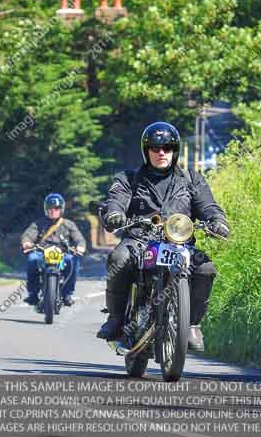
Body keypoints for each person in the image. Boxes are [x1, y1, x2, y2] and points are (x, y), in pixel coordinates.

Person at [97, 121, 230, 351]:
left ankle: (192, 325)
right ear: (146, 150)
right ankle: (116, 319)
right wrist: (116, 214)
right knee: (118, 258)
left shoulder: (192, 179)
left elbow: (208, 206)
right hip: (139, 241)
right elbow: (116, 200)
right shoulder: (129, 178)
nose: (161, 152)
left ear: (174, 150)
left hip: (179, 244)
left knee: (206, 268)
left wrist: (217, 221)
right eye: (155, 148)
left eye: (167, 147)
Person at [21, 193, 87, 307]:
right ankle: (33, 294)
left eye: (56, 208)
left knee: (73, 261)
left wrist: (80, 246)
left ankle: (67, 294)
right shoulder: (38, 223)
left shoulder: (68, 224)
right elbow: (28, 235)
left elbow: (79, 238)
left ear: (61, 209)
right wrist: (26, 242)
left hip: (63, 254)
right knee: (32, 259)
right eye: (50, 208)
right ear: (46, 209)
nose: (53, 211)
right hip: (42, 252)